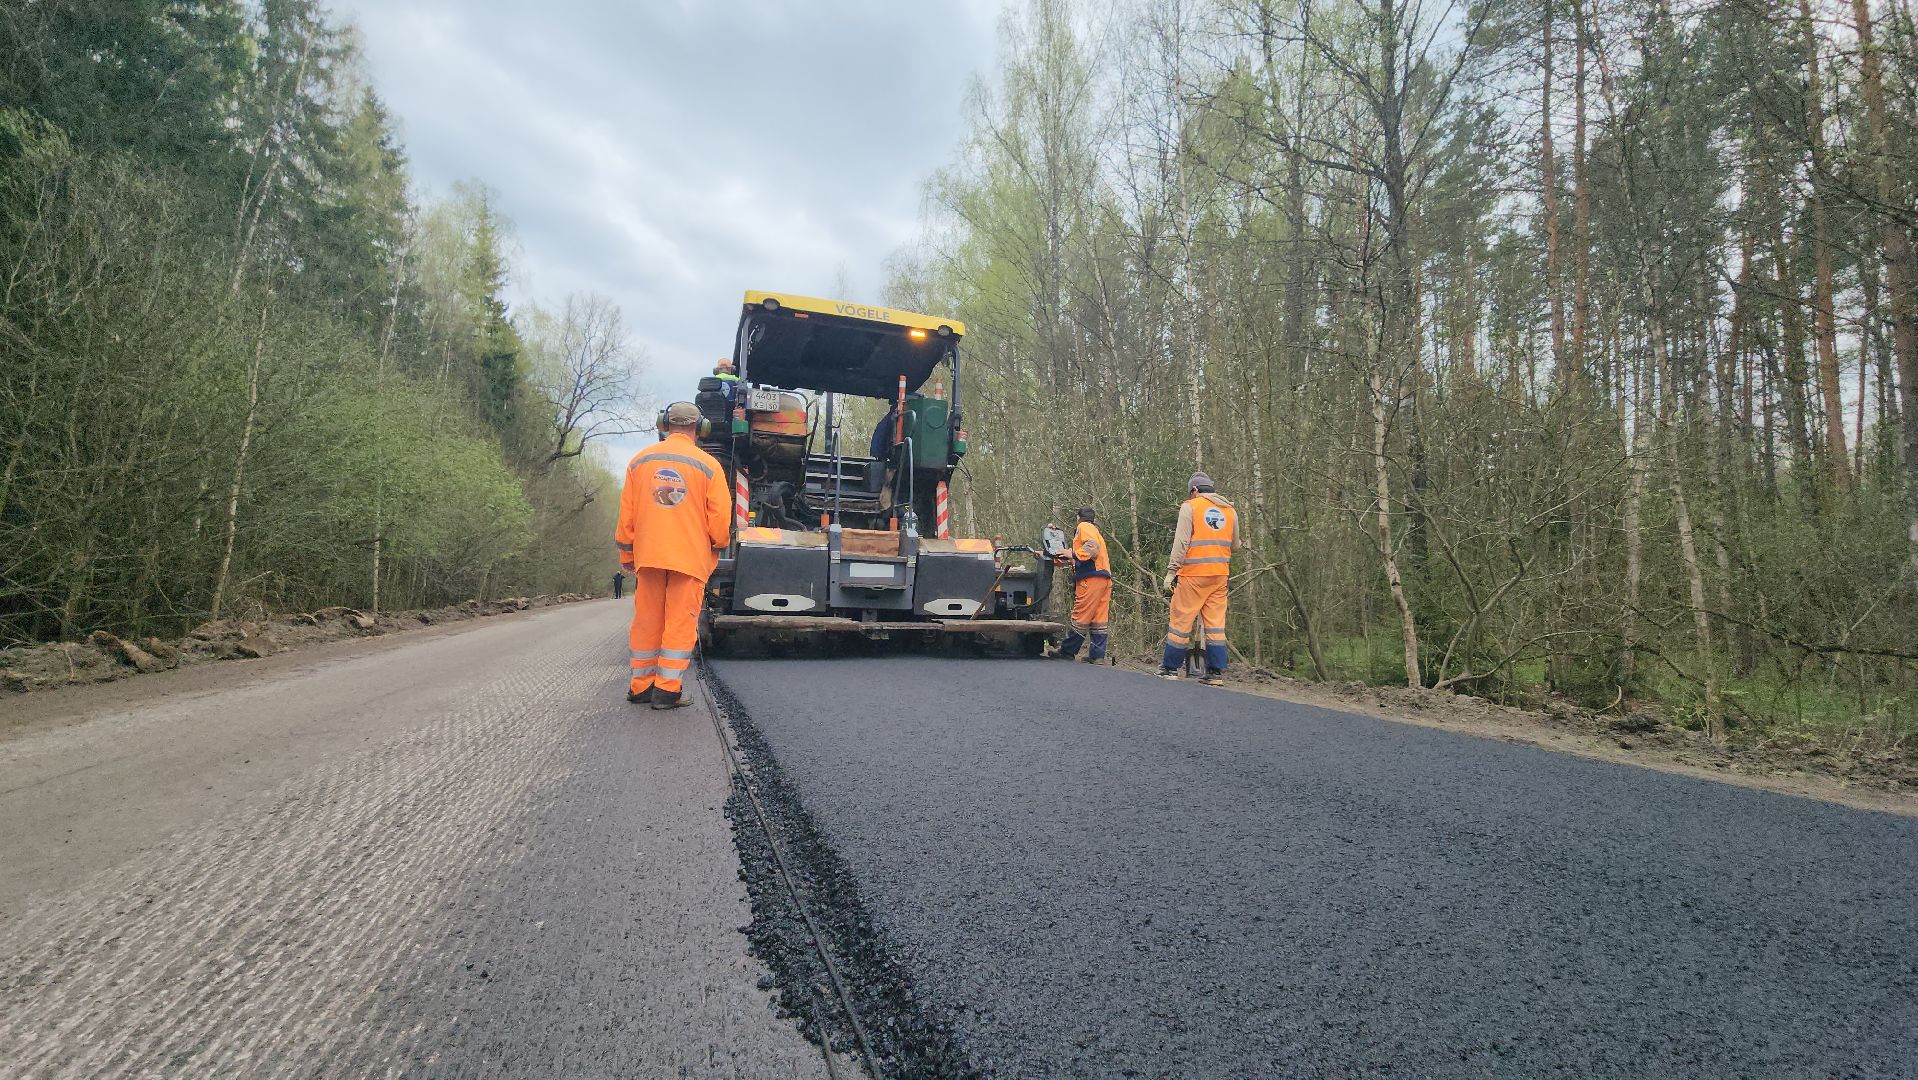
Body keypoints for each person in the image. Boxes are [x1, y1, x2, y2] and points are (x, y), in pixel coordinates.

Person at [616, 402, 731, 709]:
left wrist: (627, 553)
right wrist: (717, 546)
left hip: (649, 553)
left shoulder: (639, 462)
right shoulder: (709, 466)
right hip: (689, 557)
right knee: (680, 621)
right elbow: (719, 519)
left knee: (647, 620)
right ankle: (667, 690)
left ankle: (641, 687)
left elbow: (627, 514)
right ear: (701, 428)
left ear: (663, 425)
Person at [1159, 471, 1239, 686]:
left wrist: (1171, 571)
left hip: (1193, 575)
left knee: (1181, 620)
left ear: (1194, 490)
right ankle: (1215, 673)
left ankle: (1170, 668)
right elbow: (1235, 545)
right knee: (1215, 625)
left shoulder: (1191, 506)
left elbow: (1181, 543)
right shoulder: (1230, 510)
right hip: (1220, 576)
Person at [1048, 507, 1112, 664]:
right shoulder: (1095, 530)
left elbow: (1092, 548)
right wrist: (1069, 556)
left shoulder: (1084, 527)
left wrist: (1073, 554)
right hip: (1104, 579)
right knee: (1099, 619)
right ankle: (1097, 656)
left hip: (1090, 579)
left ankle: (1068, 651)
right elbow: (1086, 554)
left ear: (1078, 518)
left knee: (1081, 617)